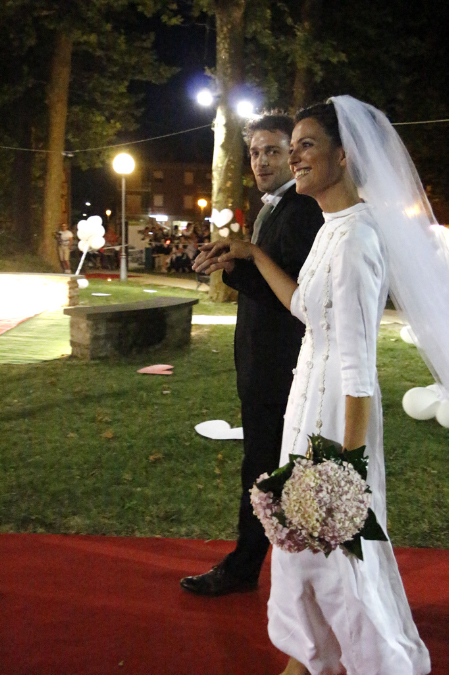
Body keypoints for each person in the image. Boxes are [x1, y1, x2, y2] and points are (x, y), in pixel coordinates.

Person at [194, 96, 444, 674]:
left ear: (344, 155)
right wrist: (253, 253)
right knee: (303, 548)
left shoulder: (356, 241)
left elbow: (358, 368)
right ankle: (308, 659)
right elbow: (304, 306)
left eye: (306, 146)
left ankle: (364, 661)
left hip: (336, 414)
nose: (295, 158)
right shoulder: (333, 228)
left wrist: (346, 470)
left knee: (339, 553)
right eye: (295, 147)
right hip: (305, 403)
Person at [181, 113, 323, 596]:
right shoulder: (274, 209)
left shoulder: (301, 211)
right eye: (256, 152)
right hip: (262, 363)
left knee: (264, 472)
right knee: (267, 469)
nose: (261, 161)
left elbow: (292, 294)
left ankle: (245, 568)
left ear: (294, 155)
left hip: (279, 367)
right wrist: (231, 261)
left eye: (273, 151)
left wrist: (239, 264)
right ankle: (279, 567)